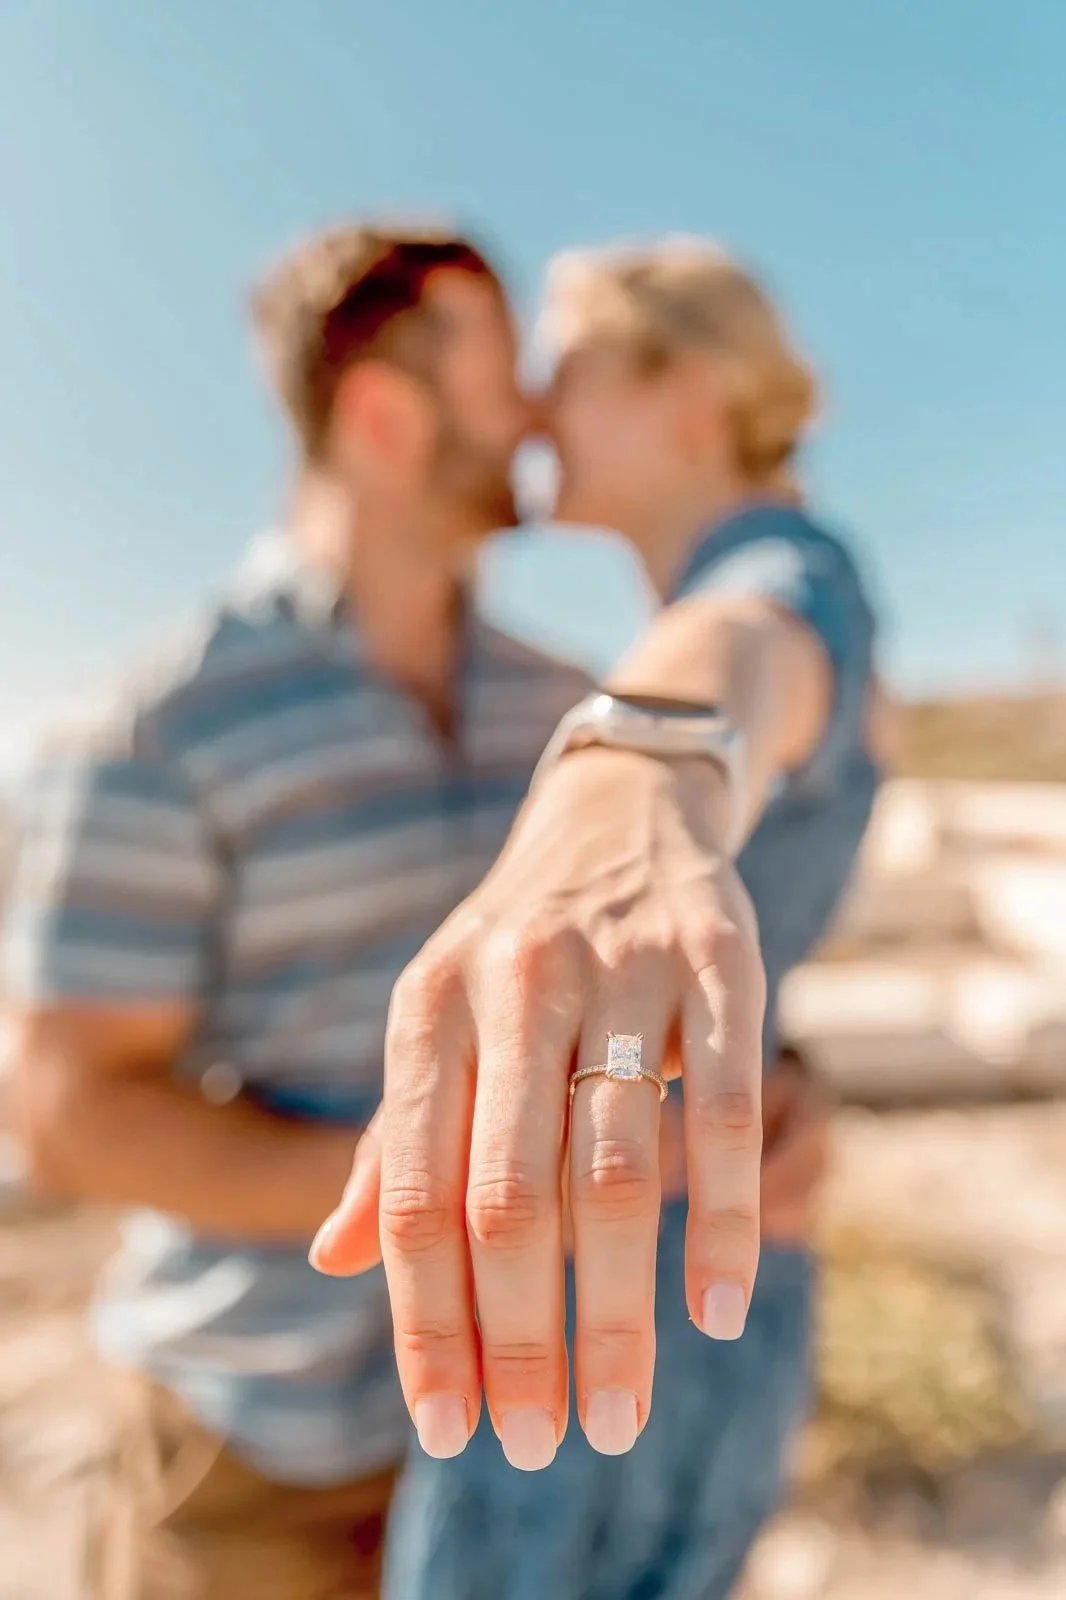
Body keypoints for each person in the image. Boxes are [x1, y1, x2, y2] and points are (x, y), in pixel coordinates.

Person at [1, 225, 830, 1600]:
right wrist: (442, 1194)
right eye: (505, 374)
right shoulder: (163, 725)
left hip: (539, 1465)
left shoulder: (565, 704)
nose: (535, 412)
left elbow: (635, 981)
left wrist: (772, 1094)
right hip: (261, 1470)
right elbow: (70, 1112)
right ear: (387, 414)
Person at [313, 239, 881, 1599]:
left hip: (628, 1313)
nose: (529, 408)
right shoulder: (680, 599)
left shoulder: (777, 570)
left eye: (562, 370)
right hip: (643, 1279)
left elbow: (753, 644)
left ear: (687, 393)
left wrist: (629, 774)